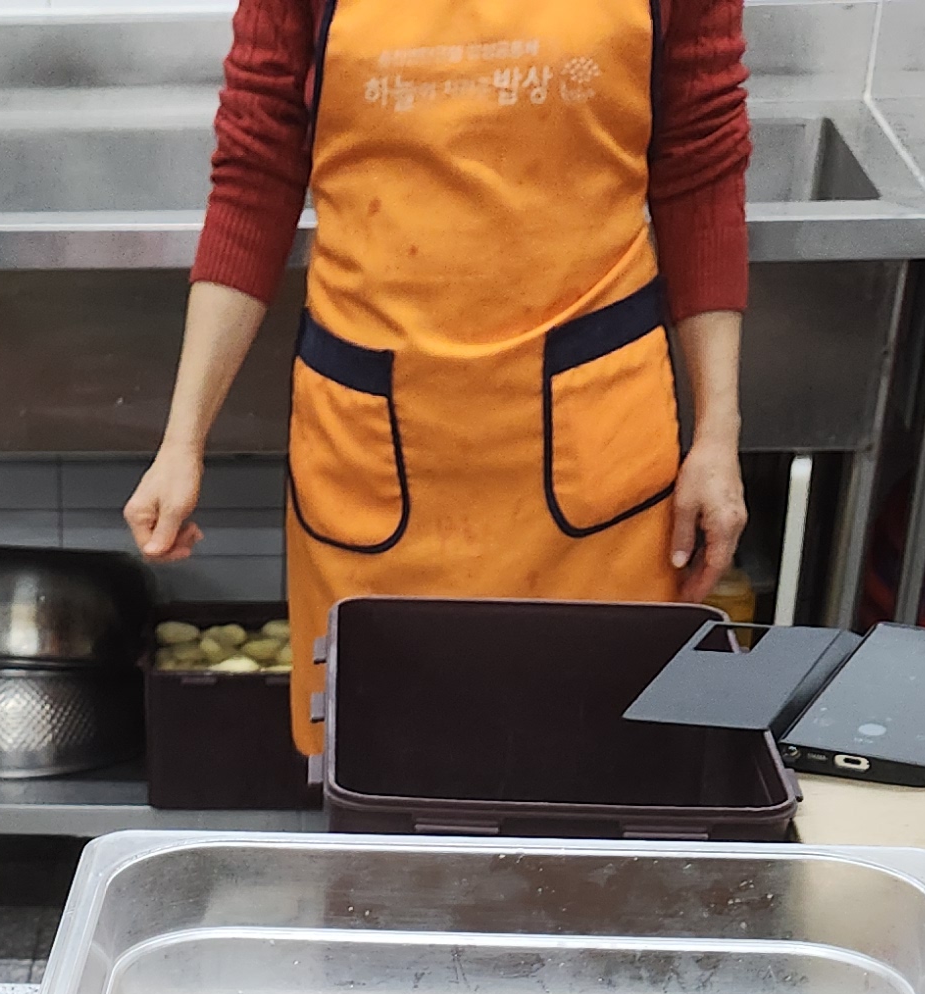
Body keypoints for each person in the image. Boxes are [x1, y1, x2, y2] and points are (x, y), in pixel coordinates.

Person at [122, 0, 755, 756]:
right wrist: (182, 442)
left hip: (595, 445)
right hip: (375, 446)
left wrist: (718, 432)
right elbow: (255, 177)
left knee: (591, 762)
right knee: (383, 765)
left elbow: (700, 171)